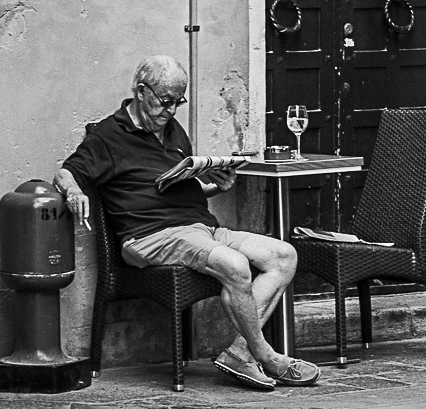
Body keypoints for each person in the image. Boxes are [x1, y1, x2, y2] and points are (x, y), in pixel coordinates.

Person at [53, 54, 320, 391]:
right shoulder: (108, 135)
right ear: (141, 91)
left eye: (177, 102)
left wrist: (213, 184)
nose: (171, 111)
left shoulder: (172, 129)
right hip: (150, 235)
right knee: (235, 265)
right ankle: (266, 356)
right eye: (165, 102)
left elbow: (178, 190)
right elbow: (65, 172)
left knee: (284, 256)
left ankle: (239, 353)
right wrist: (74, 192)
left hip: (199, 229)